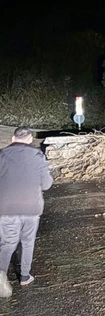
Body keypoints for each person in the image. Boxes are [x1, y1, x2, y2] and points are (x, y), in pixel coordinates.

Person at [0, 127, 53, 297]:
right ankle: (24, 276)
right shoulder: (38, 157)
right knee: (28, 242)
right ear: (30, 140)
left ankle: (1, 274)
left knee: (8, 243)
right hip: (31, 207)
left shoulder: (1, 155)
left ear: (13, 139)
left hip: (7, 208)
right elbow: (46, 184)